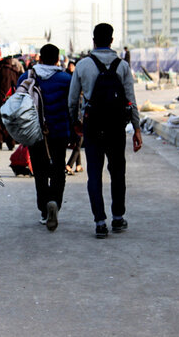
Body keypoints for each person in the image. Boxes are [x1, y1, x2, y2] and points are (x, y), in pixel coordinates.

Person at [68, 23, 142, 239]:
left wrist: (75, 122)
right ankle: (118, 218)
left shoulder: (83, 65)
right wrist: (137, 128)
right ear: (111, 40)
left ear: (93, 40)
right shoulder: (122, 66)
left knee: (94, 175)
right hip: (117, 127)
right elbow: (131, 100)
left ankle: (100, 222)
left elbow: (73, 100)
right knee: (118, 173)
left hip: (93, 126)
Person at [17, 44, 71, 231]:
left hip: (35, 132)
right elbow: (72, 106)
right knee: (58, 169)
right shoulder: (66, 79)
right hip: (59, 132)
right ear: (57, 59)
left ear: (39, 58)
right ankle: (55, 202)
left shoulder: (26, 77)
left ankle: (43, 210)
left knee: (39, 171)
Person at [64, 60, 83, 175]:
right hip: (79, 119)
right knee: (79, 143)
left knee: (78, 141)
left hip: (73, 117)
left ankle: (79, 165)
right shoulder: (79, 84)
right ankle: (69, 165)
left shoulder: (68, 79)